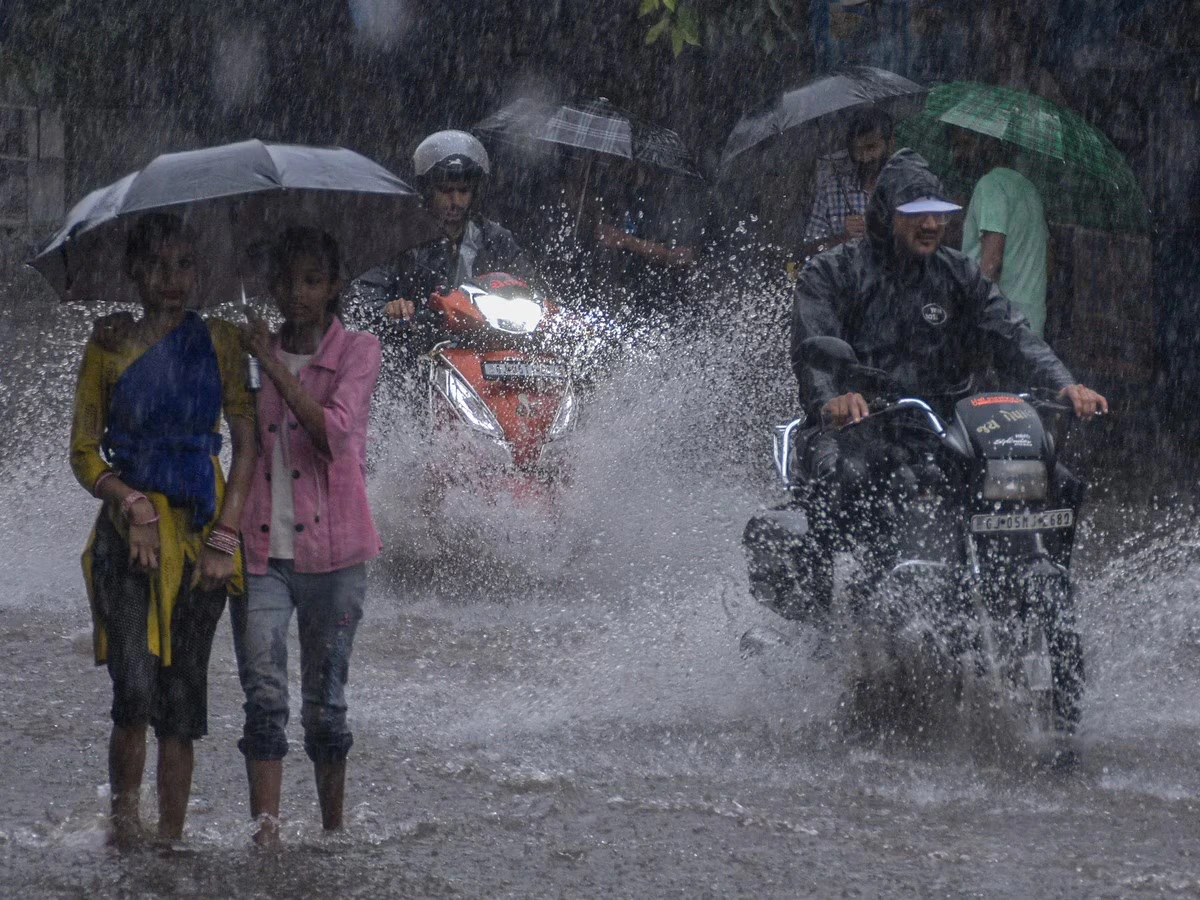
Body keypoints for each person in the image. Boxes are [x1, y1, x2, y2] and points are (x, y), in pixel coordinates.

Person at [789, 149, 1106, 729]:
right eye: (916, 212)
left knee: (1053, 478)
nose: (931, 223)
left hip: (942, 426)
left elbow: (1011, 331)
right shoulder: (833, 272)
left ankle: (1024, 585)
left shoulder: (958, 274)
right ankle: (834, 626)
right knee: (850, 482)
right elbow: (814, 347)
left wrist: (1065, 385)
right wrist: (831, 396)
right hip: (862, 425)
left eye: (939, 211)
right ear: (887, 213)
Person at [70, 212, 256, 844]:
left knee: (182, 706)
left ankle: (171, 842)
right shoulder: (109, 344)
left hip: (204, 539)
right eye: (156, 265)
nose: (171, 280)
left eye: (184, 265)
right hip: (127, 542)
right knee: (134, 690)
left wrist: (225, 541)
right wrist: (132, 504)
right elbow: (84, 453)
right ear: (133, 271)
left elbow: (248, 444)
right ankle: (124, 829)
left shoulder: (224, 342)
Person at [234, 227, 382, 846]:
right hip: (262, 552)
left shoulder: (357, 350)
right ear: (271, 285)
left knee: (325, 702)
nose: (299, 293)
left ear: (334, 287)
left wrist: (270, 364)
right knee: (264, 695)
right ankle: (267, 834)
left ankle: (331, 832)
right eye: (288, 280)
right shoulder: (246, 351)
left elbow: (333, 437)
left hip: (336, 555)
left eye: (313, 280)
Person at [351, 130, 532, 329]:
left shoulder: (496, 239)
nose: (455, 201)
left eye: (463, 191)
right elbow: (362, 298)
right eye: (445, 191)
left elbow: (531, 291)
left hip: (487, 344)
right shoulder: (398, 238)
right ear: (428, 190)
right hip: (420, 346)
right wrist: (389, 309)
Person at [952, 128, 1051, 337]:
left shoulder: (990, 185)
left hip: (1003, 323)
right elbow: (1049, 257)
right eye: (956, 146)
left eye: (965, 145)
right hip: (1030, 321)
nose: (957, 154)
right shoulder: (1028, 188)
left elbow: (991, 260)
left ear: (987, 146)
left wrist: (969, 315)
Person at [800, 106, 896, 257]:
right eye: (858, 149)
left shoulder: (907, 188)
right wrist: (844, 237)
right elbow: (810, 251)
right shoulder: (831, 190)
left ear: (890, 145)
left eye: (871, 148)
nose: (864, 158)